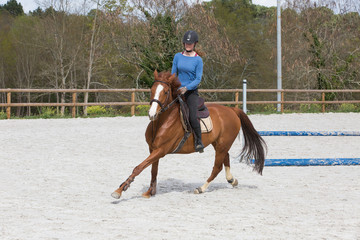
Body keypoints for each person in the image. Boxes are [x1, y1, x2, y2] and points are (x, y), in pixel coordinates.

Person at [171, 30, 204, 153]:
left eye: (190, 43)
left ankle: (199, 141)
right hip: (177, 90)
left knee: (192, 116)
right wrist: (173, 86)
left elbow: (198, 79)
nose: (188, 45)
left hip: (190, 92)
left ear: (195, 44)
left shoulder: (198, 60)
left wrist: (186, 88)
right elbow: (173, 74)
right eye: (186, 43)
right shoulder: (177, 56)